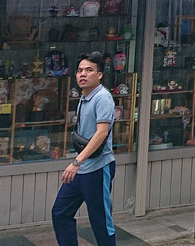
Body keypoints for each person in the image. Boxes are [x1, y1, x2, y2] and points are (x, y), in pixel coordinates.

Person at [52, 52, 117, 246]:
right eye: (80, 70)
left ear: (99, 75)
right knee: (60, 212)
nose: (83, 74)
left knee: (100, 220)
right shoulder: (84, 97)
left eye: (89, 70)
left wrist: (76, 162)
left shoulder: (102, 98)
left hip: (98, 167)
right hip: (82, 167)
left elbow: (102, 133)